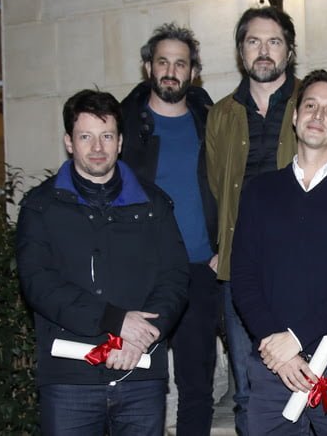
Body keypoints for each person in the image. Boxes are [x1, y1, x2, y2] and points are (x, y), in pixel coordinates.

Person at [206, 6, 327, 434]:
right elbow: (215, 185)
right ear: (241, 50)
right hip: (245, 266)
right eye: (253, 41)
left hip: (312, 267)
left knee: (322, 387)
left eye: (274, 41)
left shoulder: (315, 105)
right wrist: (222, 245)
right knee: (249, 387)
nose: (263, 50)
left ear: (289, 51)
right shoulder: (221, 114)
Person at [16, 89, 189, 435]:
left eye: (107, 136)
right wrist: (115, 321)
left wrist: (140, 338)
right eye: (86, 137)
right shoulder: (40, 206)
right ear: (69, 142)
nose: (97, 147)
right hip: (70, 380)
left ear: (120, 142)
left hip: (140, 372)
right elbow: (38, 283)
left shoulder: (154, 204)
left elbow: (175, 277)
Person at [230, 70, 327, 435]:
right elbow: (244, 277)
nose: (318, 115)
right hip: (271, 367)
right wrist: (278, 348)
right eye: (311, 106)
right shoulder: (259, 191)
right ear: (296, 116)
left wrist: (296, 339)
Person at [119, 22, 219, 435]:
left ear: (193, 71)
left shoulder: (211, 121)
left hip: (201, 271)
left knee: (197, 386)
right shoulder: (123, 125)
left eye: (180, 64)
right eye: (163, 62)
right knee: (139, 380)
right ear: (149, 67)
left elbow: (235, 186)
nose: (171, 72)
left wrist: (225, 248)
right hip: (145, 273)